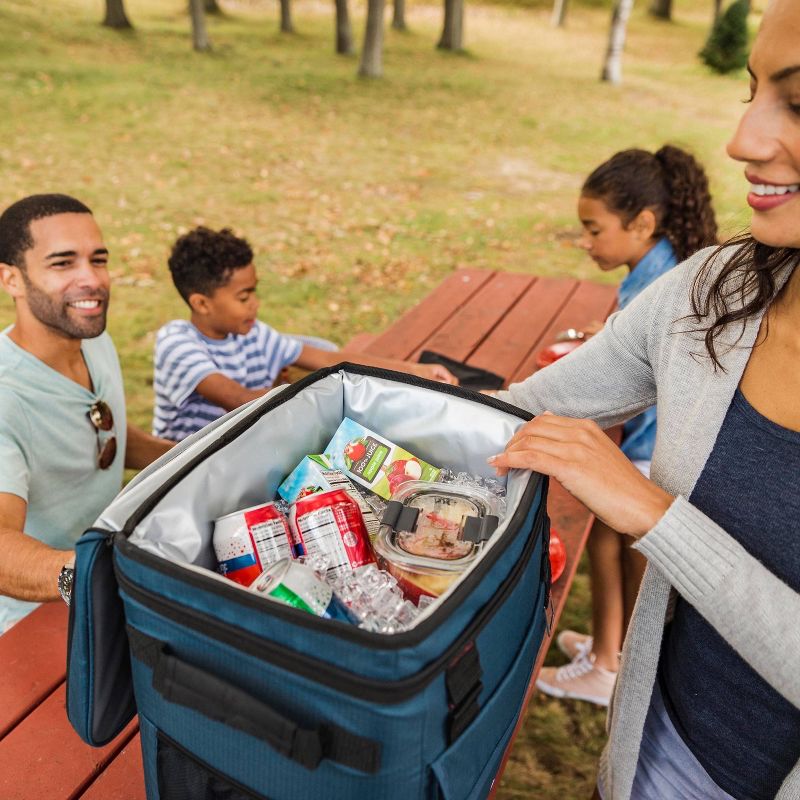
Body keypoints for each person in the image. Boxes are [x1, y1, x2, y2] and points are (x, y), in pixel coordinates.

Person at [489, 2, 800, 797]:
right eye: (753, 89)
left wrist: (653, 515)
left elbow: (645, 510)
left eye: (797, 101)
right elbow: (523, 409)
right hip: (643, 750)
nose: (743, 141)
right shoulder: (711, 292)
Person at [536, 146, 718, 706]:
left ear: (642, 223)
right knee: (605, 546)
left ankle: (613, 666)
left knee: (621, 552)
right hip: (647, 441)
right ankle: (604, 650)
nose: (586, 242)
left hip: (652, 450)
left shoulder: (656, 283)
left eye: (594, 229)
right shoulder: (661, 265)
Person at [0, 194, 174, 633]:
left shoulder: (88, 334)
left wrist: (197, 458)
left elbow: (103, 429)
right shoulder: (7, 398)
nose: (91, 280)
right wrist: (91, 573)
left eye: (98, 260)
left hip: (112, 577)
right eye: (62, 264)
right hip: (34, 621)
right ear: (11, 279)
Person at [153, 226, 457, 441]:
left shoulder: (253, 334)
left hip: (243, 445)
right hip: (186, 466)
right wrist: (317, 398)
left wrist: (416, 371)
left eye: (254, 292)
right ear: (202, 303)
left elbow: (329, 358)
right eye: (243, 298)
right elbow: (239, 400)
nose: (255, 305)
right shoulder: (177, 343)